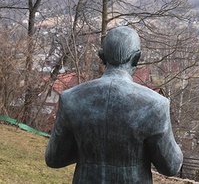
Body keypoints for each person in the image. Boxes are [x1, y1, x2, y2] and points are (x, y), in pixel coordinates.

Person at [45, 26, 183, 183]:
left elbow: (54, 158)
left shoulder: (70, 99)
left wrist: (88, 150)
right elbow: (171, 166)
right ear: (137, 58)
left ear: (102, 56)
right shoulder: (155, 105)